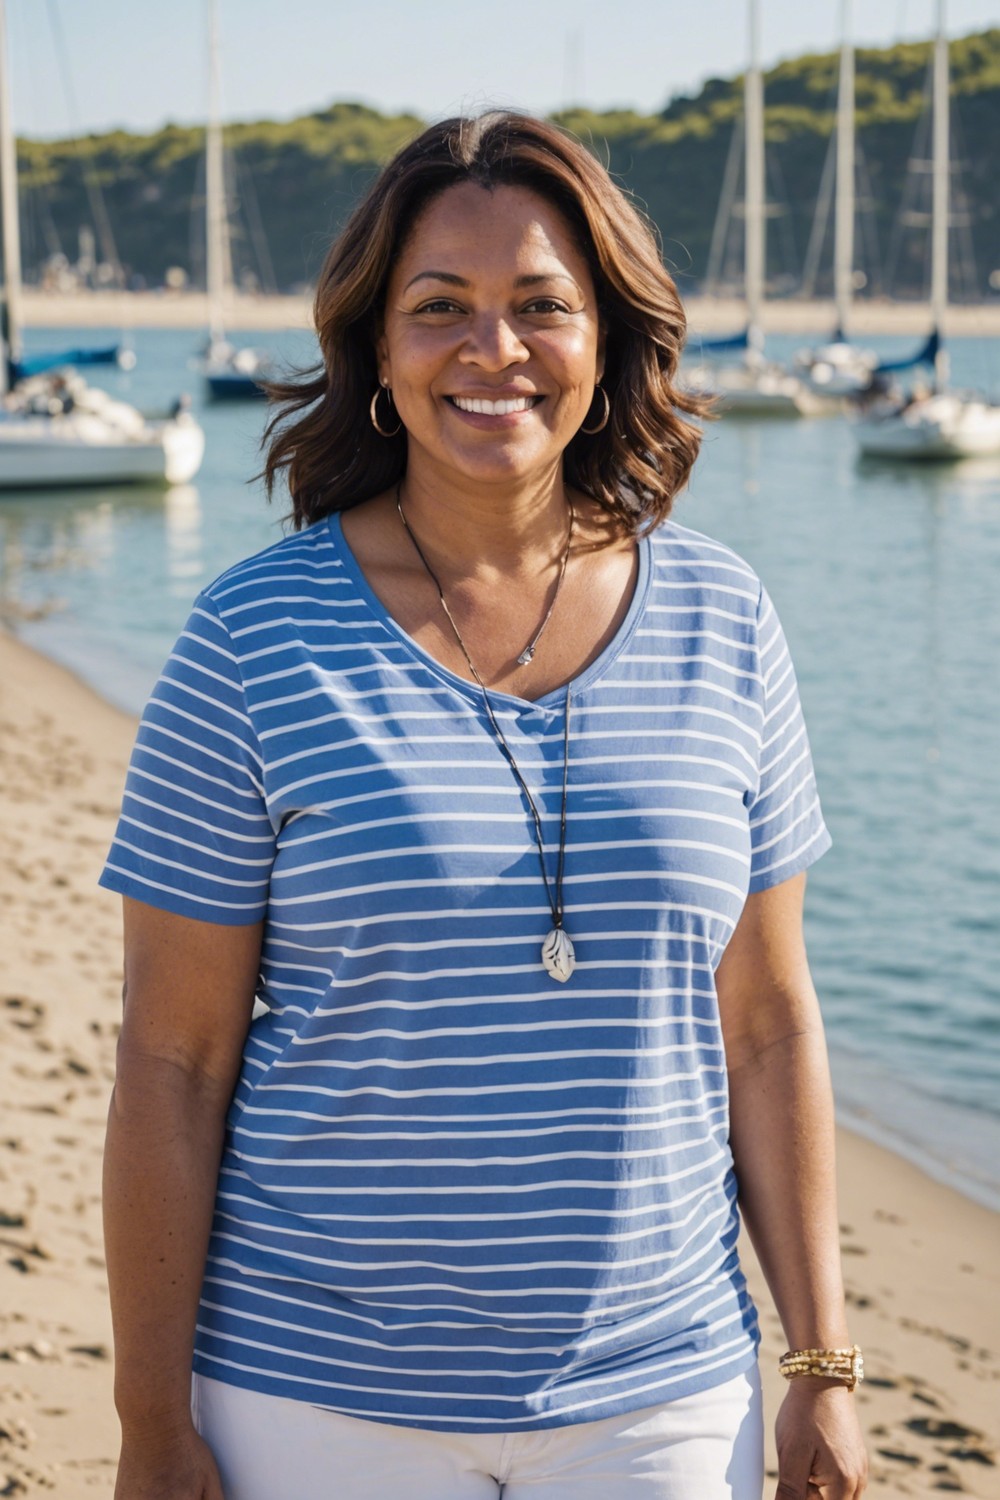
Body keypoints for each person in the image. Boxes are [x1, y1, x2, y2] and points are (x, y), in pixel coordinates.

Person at [101, 111, 868, 1500]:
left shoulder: (727, 619)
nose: (492, 349)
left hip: (666, 1393)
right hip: (314, 1394)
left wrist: (821, 1365)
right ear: (379, 352)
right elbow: (172, 1061)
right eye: (439, 307)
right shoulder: (251, 640)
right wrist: (153, 1422)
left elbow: (765, 1021)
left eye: (540, 306)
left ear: (606, 339)